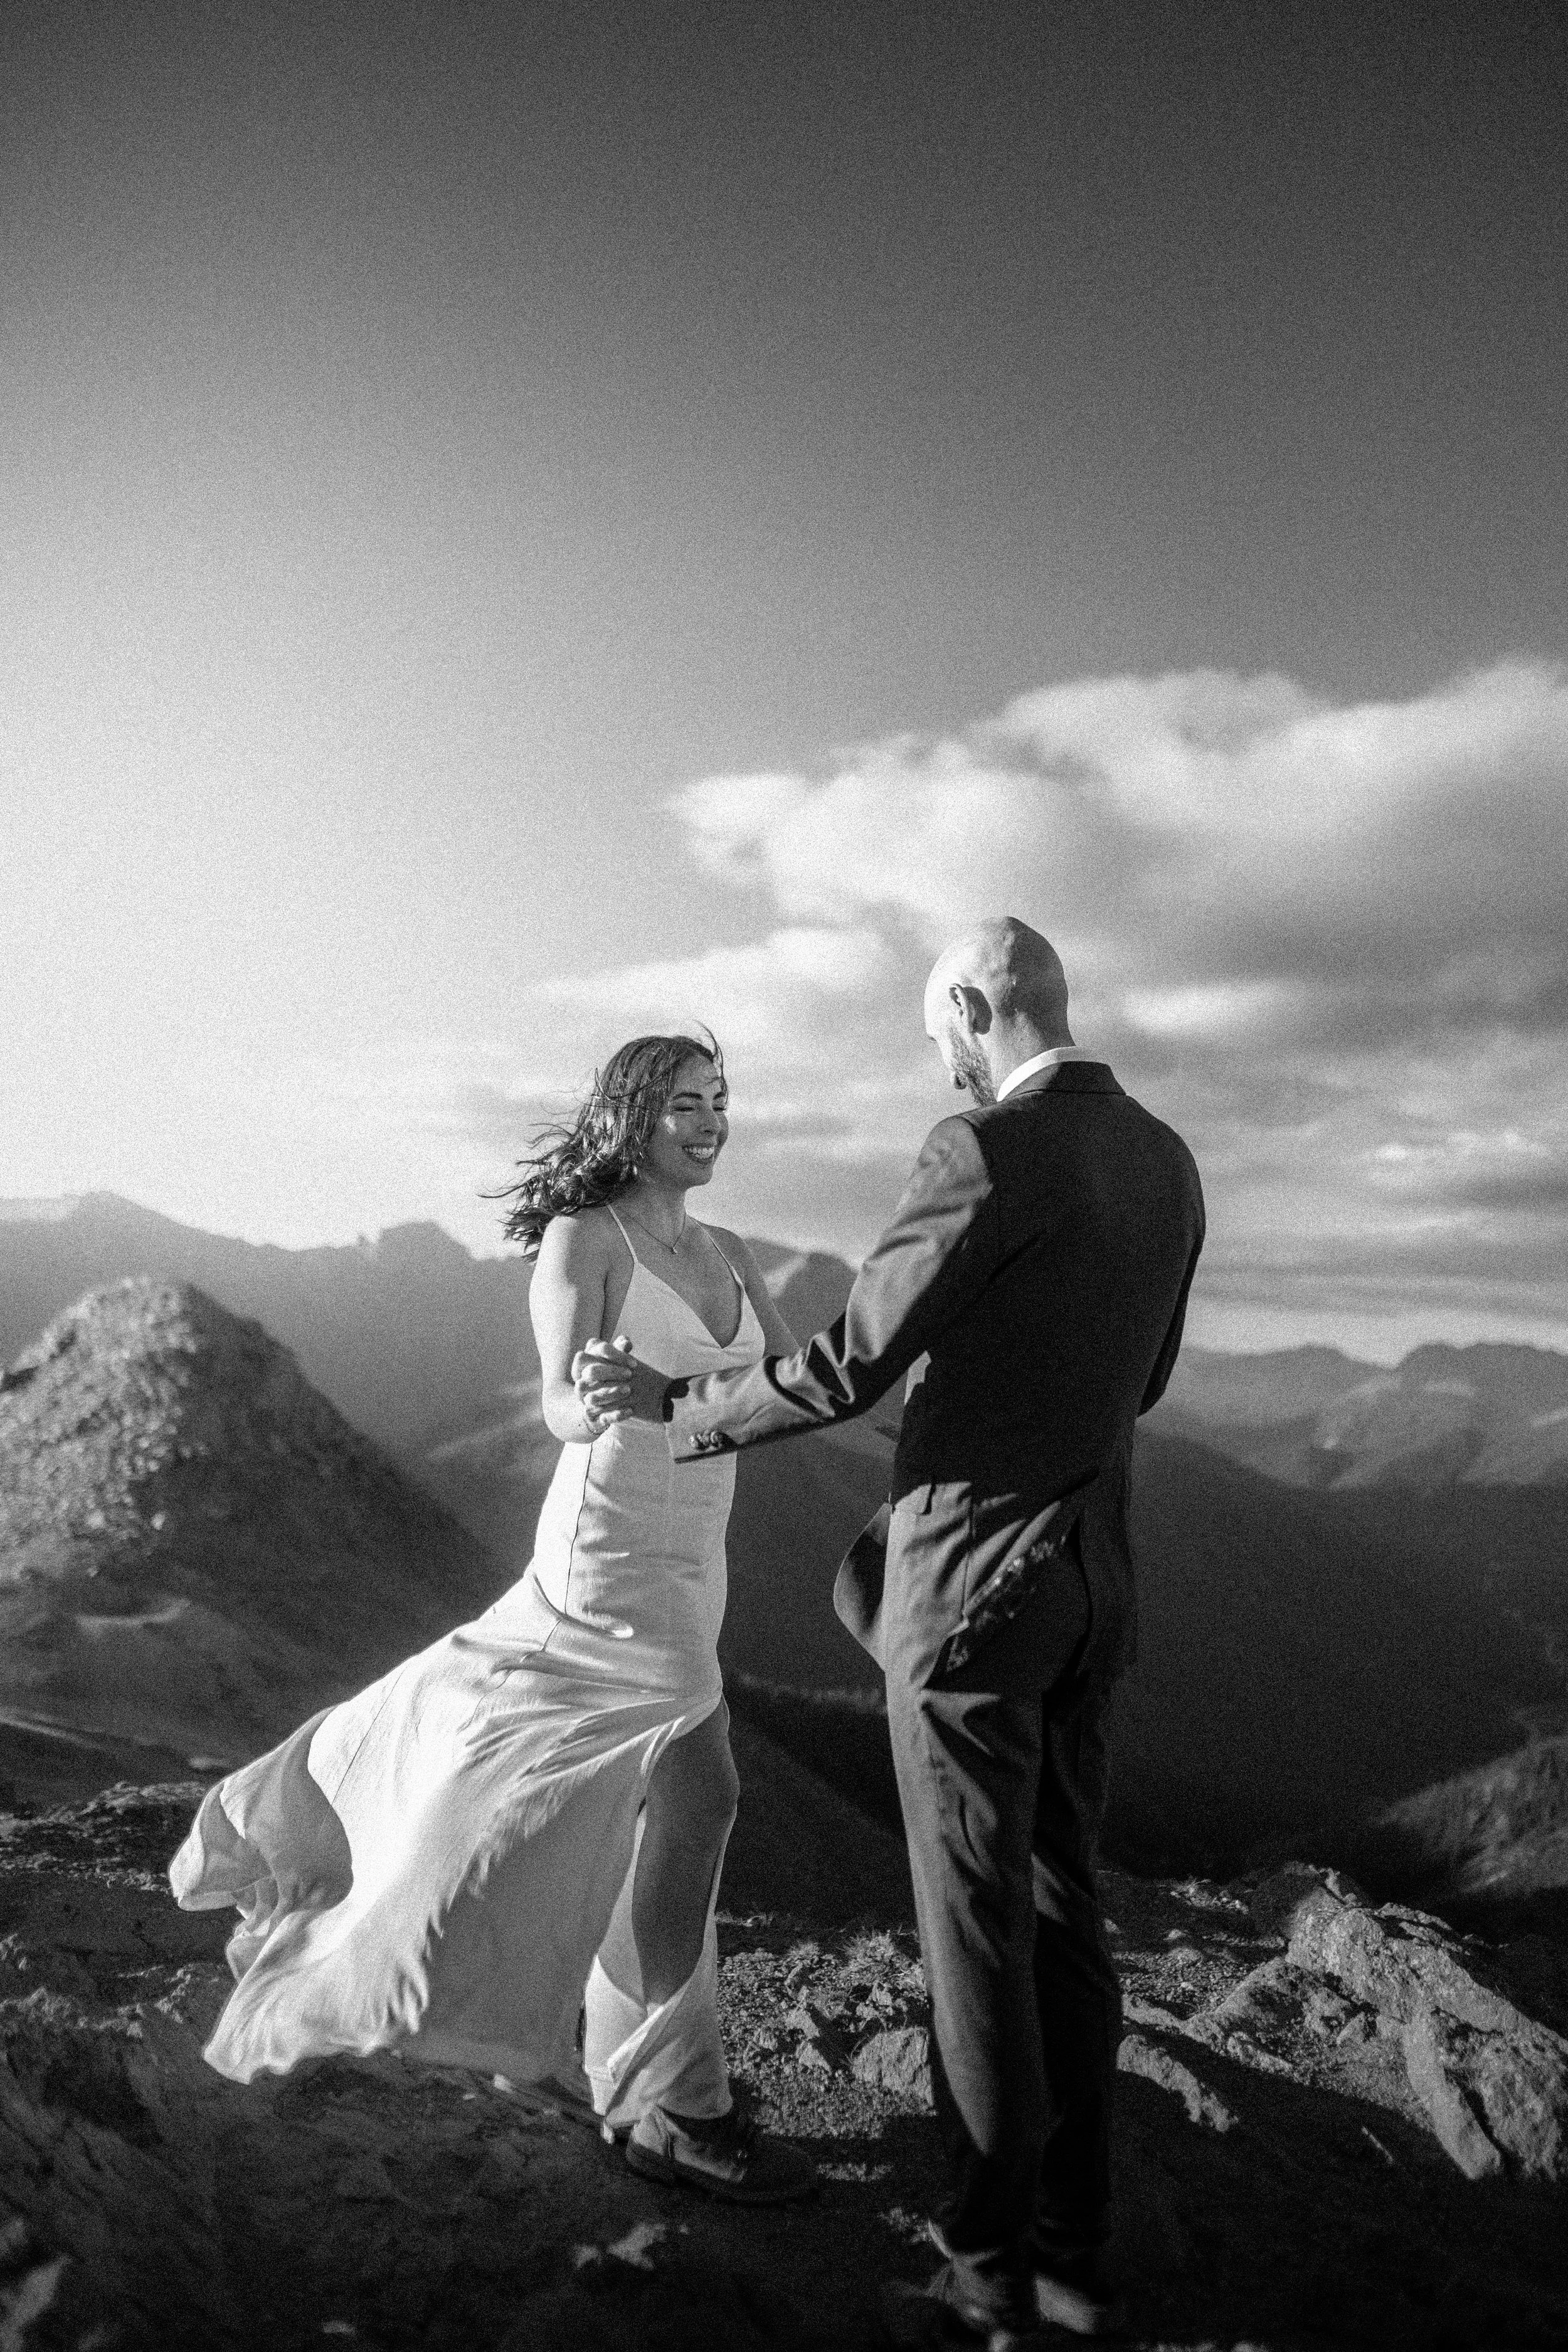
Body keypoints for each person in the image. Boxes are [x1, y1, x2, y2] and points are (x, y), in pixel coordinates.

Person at [575, 921, 1205, 2344]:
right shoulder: (1165, 1158)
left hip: (973, 1592)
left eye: (941, 1036)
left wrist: (681, 1412)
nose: (944, 1063)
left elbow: (856, 1360)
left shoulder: (981, 1150)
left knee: (971, 1927)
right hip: (1094, 1578)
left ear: (978, 1008)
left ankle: (985, 2268)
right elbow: (1146, 1373)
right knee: (1062, 1905)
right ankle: (1072, 2240)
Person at [169, 1032, 814, 2204]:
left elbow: (786, 1384)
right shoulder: (587, 1240)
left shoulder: (724, 1250)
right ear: (632, 1117)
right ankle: (676, 2098)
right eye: (684, 1103)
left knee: (659, 1799)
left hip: (692, 1566)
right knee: (699, 1788)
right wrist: (602, 1396)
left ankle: (645, 2073)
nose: (711, 1120)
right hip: (609, 1556)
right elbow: (564, 1400)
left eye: (720, 1101)